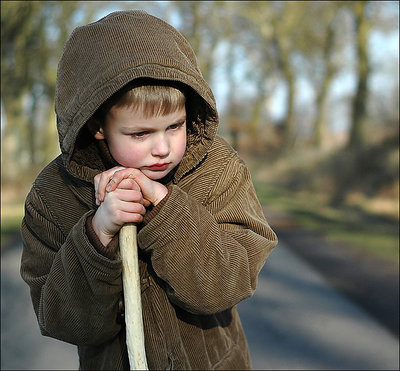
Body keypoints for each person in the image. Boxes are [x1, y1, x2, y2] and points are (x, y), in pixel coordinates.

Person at [20, 10, 278, 370]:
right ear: (96, 125)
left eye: (175, 125)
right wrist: (98, 235)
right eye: (140, 134)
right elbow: (64, 321)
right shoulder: (55, 195)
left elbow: (226, 285)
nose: (163, 148)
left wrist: (165, 209)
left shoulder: (217, 170)